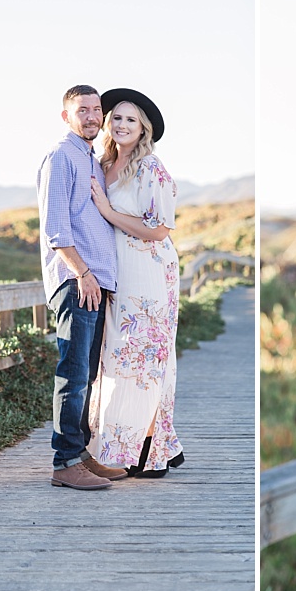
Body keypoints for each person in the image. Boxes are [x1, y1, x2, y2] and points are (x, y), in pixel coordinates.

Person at [85, 87, 184, 479]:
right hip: (117, 269)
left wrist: (107, 211)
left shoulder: (150, 168)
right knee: (118, 356)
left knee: (142, 357)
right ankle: (159, 440)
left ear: (143, 128)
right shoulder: (104, 162)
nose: (121, 124)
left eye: (131, 119)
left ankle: (144, 449)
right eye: (117, 117)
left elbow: (159, 230)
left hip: (148, 270)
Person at [37, 84, 129, 490]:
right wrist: (83, 274)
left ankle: (80, 453)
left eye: (97, 110)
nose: (92, 116)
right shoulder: (61, 157)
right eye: (82, 110)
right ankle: (65, 462)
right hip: (78, 283)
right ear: (66, 116)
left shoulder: (89, 158)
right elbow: (56, 229)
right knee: (73, 374)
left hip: (95, 282)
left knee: (87, 375)